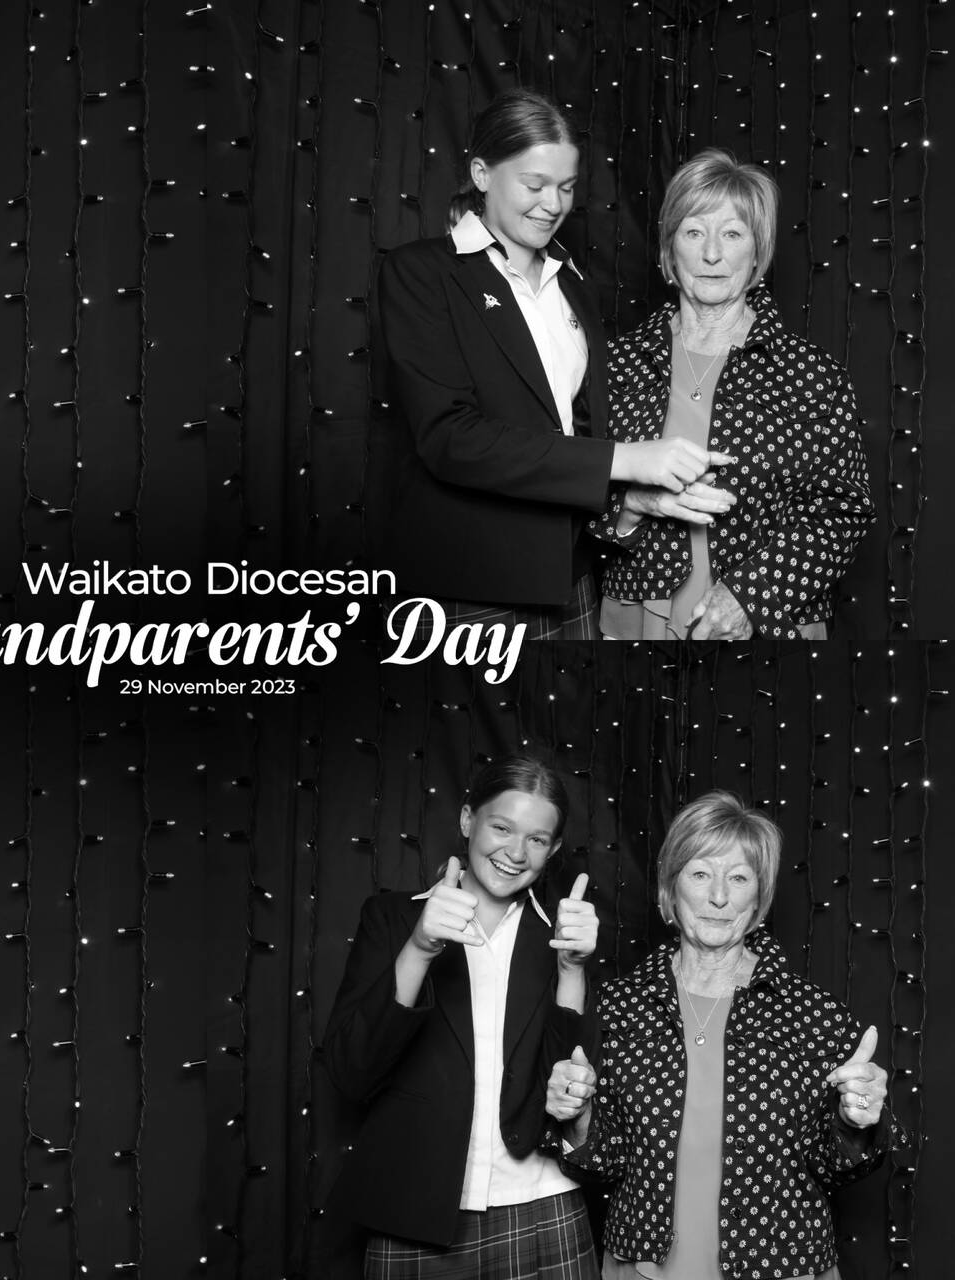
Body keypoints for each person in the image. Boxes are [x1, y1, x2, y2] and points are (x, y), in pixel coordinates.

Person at [371, 89, 732, 639]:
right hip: (470, 581)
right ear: (482, 174)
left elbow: (576, 423)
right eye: (535, 184)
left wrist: (640, 496)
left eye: (565, 187)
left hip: (571, 574)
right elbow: (450, 438)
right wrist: (627, 460)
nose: (553, 204)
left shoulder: (573, 285)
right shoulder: (421, 273)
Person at [547, 791, 892, 1279]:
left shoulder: (814, 1014)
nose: (719, 897)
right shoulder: (619, 1006)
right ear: (671, 888)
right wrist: (579, 1117)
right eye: (700, 874)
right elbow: (602, 1163)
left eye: (739, 878)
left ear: (759, 898)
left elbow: (838, 1166)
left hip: (781, 1267)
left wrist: (855, 1122)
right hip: (643, 1269)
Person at [323, 755, 601, 1277]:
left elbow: (567, 1085)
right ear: (468, 820)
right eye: (502, 828)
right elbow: (351, 1073)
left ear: (553, 849)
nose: (515, 853)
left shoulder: (561, 936)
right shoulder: (392, 919)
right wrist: (420, 948)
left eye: (537, 839)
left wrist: (572, 969)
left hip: (543, 1202)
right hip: (413, 1210)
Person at [593, 149, 874, 639]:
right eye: (693, 232)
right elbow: (569, 486)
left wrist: (750, 596)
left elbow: (843, 512)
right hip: (638, 614)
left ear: (758, 252)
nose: (711, 254)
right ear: (668, 249)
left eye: (732, 234)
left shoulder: (812, 374)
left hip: (766, 622)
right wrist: (631, 504)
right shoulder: (615, 365)